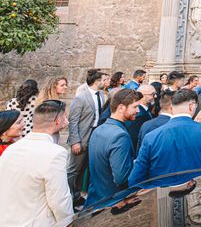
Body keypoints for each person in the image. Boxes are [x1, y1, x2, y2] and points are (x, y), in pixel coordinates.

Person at [129, 89, 201, 187]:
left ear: (172, 107)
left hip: (163, 193)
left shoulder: (151, 137)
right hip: (197, 189)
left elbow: (136, 178)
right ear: (191, 106)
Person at [0, 100, 73, 226]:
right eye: (65, 116)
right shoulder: (55, 153)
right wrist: (67, 221)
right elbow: (59, 199)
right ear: (58, 121)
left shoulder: (12, 148)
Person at [86, 89, 142, 207]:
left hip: (95, 197)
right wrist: (139, 163)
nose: (138, 111)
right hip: (113, 202)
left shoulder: (99, 129)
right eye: (135, 107)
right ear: (121, 107)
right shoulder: (120, 136)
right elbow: (121, 177)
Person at [67, 69, 107, 204]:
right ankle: (68, 197)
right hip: (81, 137)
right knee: (74, 170)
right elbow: (73, 121)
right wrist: (75, 142)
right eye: (102, 80)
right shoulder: (81, 98)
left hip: (95, 136)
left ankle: (77, 196)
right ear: (97, 81)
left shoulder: (101, 95)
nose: (104, 82)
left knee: (84, 168)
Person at [126, 83, 155, 154]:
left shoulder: (145, 110)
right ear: (143, 96)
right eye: (152, 94)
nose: (155, 96)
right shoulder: (139, 115)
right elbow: (135, 138)